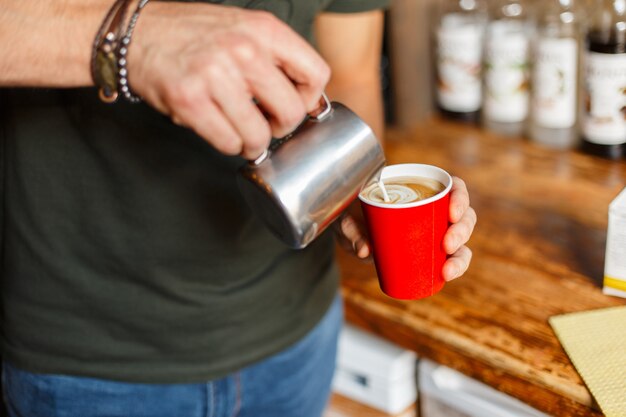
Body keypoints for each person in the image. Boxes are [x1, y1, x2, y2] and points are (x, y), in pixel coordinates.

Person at [0, 1, 477, 416]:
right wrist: (134, 38)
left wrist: (355, 188)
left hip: (295, 333)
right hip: (90, 357)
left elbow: (351, 69)